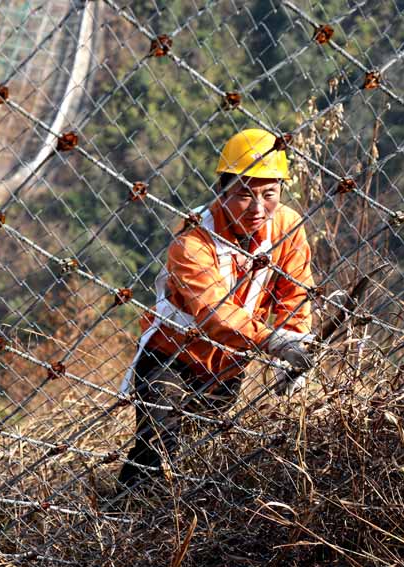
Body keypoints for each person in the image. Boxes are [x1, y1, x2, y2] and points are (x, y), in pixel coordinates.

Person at [117, 128, 316, 490]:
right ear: (222, 192)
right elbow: (214, 313)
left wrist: (296, 344)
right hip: (171, 356)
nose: (258, 208)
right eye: (244, 195)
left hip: (228, 364)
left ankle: (178, 513)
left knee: (199, 449)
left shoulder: (287, 227)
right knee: (156, 448)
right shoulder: (193, 239)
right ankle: (127, 516)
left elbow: (295, 290)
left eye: (269, 194)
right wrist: (274, 341)